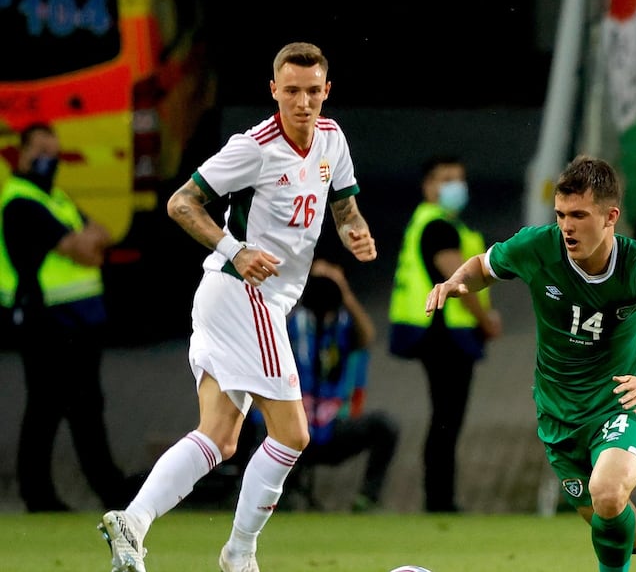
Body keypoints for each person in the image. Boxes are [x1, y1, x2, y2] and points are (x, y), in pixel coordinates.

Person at [97, 41, 377, 572]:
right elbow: (181, 202)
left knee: (220, 437)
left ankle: (132, 523)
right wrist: (236, 249)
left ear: (327, 91)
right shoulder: (253, 147)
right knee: (293, 433)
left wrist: (354, 230)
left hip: (241, 299)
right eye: (291, 91)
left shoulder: (332, 140)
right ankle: (240, 554)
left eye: (312, 91)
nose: (302, 102)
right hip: (244, 295)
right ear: (273, 90)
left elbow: (343, 206)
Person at [426, 155, 636, 572]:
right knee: (619, 524)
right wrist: (456, 281)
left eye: (579, 215)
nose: (567, 226)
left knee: (608, 493)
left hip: (620, 405)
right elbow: (484, 266)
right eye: (561, 215)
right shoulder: (538, 246)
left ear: (610, 216)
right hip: (558, 415)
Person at [0, 123, 132, 513]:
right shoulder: (22, 201)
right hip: (45, 320)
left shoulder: (54, 197)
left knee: (83, 406)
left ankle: (109, 491)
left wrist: (87, 243)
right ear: (22, 153)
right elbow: (82, 248)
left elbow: (102, 234)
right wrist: (86, 244)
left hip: (78, 321)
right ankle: (40, 495)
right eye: (41, 151)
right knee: (47, 407)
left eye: (54, 153)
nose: (49, 161)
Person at [388, 155, 501, 513]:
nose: (454, 186)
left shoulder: (429, 223)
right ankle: (439, 500)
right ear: (428, 186)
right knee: (446, 419)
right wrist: (485, 320)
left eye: (459, 179)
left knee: (444, 418)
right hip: (445, 335)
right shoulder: (440, 227)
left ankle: (439, 498)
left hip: (435, 333)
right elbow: (459, 282)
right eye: (445, 179)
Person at [242, 259, 398, 512]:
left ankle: (367, 499)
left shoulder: (343, 324)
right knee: (253, 421)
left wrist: (343, 291)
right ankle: (263, 499)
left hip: (332, 426)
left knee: (385, 426)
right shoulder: (293, 321)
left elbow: (368, 336)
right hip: (291, 422)